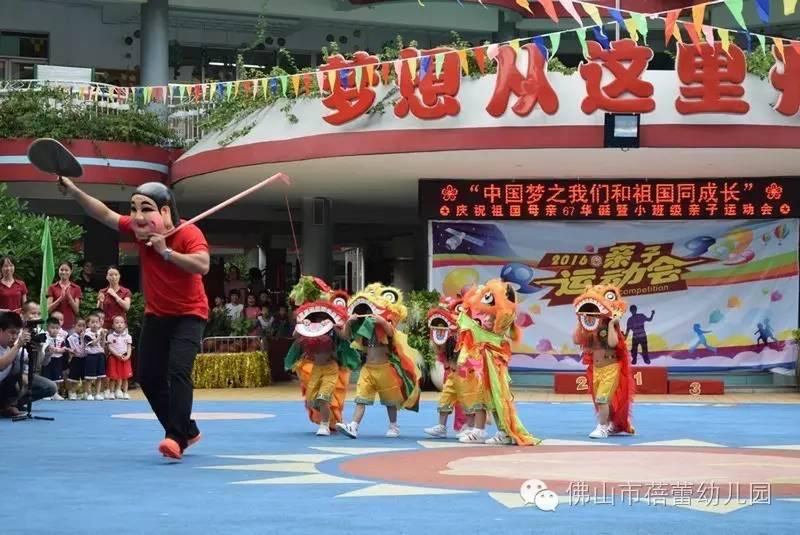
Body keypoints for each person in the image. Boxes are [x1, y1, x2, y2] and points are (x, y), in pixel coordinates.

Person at [59, 177, 209, 460]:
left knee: (178, 370)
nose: (138, 217)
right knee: (149, 377)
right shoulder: (139, 229)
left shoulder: (189, 232)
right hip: (157, 314)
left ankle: (176, 437)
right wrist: (75, 191)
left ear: (165, 211)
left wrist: (166, 252)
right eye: (134, 209)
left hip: (189, 314)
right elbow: (104, 214)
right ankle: (187, 429)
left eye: (146, 209)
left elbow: (203, 264)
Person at [455, 280, 537, 445]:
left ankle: (504, 431)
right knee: (481, 395)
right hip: (480, 361)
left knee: (497, 397)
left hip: (494, 363)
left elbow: (493, 324)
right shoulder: (488, 313)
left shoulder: (504, 315)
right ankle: (479, 430)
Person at [336, 284, 421, 439]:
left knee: (390, 401)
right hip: (368, 368)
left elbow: (391, 333)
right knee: (361, 398)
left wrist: (382, 321)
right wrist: (348, 322)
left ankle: (393, 426)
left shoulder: (386, 323)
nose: (369, 314)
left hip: (385, 369)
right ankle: (353, 426)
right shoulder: (362, 328)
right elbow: (345, 336)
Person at [573, 284, 635, 439]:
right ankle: (611, 424)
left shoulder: (610, 325)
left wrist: (612, 324)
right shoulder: (589, 329)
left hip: (610, 369)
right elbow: (576, 340)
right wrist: (580, 321)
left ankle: (601, 428)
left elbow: (613, 343)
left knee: (602, 399)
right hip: (596, 369)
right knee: (602, 401)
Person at [47, 261, 82, 331]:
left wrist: (69, 297)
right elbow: (48, 309)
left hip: (70, 326)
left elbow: (77, 310)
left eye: (66, 270)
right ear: (58, 271)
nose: (64, 272)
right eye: (61, 270)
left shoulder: (76, 288)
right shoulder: (52, 287)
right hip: (55, 327)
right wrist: (60, 299)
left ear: (71, 271)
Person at [40, 316, 68, 400]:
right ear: (47, 327)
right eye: (52, 327)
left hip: (58, 360)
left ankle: (55, 393)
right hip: (47, 360)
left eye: (57, 328)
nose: (55, 330)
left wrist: (58, 350)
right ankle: (46, 394)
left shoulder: (61, 338)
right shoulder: (45, 337)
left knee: (57, 377)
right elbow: (43, 347)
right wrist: (48, 348)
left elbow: (64, 348)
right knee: (46, 376)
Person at [106, 315, 133, 399]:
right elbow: (110, 347)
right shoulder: (110, 336)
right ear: (113, 325)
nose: (119, 324)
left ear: (125, 325)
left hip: (125, 358)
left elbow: (129, 347)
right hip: (113, 358)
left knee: (125, 377)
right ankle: (111, 392)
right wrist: (117, 355)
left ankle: (125, 392)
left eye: (121, 322)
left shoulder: (128, 336)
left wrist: (128, 356)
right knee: (113, 377)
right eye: (117, 322)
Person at [83, 312, 106, 400]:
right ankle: (89, 393)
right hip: (91, 357)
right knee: (89, 377)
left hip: (100, 356)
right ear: (88, 324)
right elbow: (93, 344)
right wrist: (100, 336)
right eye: (92, 322)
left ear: (100, 323)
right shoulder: (87, 334)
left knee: (99, 376)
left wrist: (103, 337)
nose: (95, 324)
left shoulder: (100, 333)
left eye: (97, 322)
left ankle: (97, 393)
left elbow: (103, 345)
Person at [65, 318, 87, 400]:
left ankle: (85, 393)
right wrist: (70, 351)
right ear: (74, 326)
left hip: (85, 358)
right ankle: (72, 392)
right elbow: (67, 347)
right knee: (74, 377)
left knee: (85, 377)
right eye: (79, 325)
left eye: (83, 326)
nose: (81, 328)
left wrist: (83, 338)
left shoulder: (87, 336)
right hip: (75, 359)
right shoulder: (70, 338)